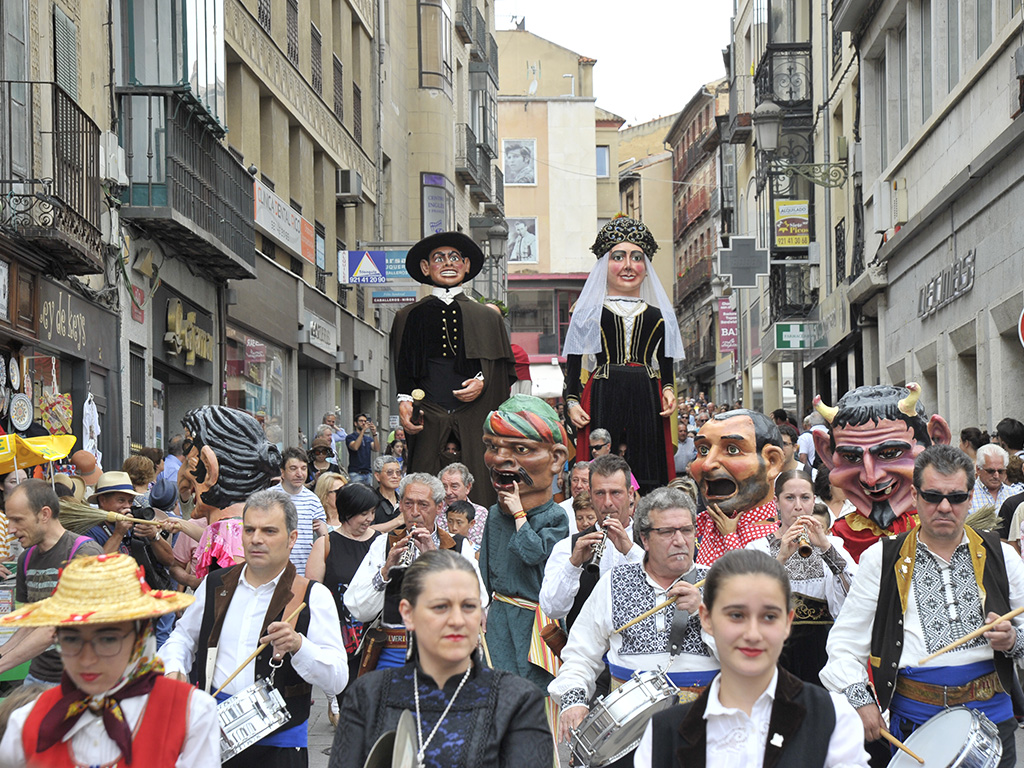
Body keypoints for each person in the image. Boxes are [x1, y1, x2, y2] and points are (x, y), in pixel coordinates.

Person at [820, 445, 1024, 768]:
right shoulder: (883, 558)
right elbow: (844, 645)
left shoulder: (1003, 556)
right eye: (933, 496)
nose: (945, 507)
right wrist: (861, 701)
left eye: (956, 497)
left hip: (993, 720)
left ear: (971, 497)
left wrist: (1014, 640)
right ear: (915, 495)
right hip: (916, 723)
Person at [160, 489, 348, 768]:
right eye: (250, 530)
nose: (256, 539)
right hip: (213, 738)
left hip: (279, 747)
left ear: (292, 539)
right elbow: (183, 636)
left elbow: (337, 679)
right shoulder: (214, 584)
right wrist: (173, 667)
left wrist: (299, 646)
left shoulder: (312, 596)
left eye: (269, 531)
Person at [634, 549, 869, 768]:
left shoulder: (831, 717)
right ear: (706, 619)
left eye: (769, 616)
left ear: (787, 622)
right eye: (736, 615)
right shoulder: (664, 733)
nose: (753, 634)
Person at [329, 549, 552, 768]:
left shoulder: (517, 701)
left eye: (468, 606)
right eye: (440, 607)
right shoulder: (368, 695)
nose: (457, 620)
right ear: (408, 613)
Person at [549, 488, 719, 767]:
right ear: (645, 538)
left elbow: (743, 659)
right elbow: (580, 655)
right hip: (627, 735)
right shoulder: (613, 583)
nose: (680, 540)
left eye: (687, 530)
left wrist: (706, 614)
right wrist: (575, 701)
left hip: (704, 730)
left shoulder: (718, 582)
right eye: (667, 532)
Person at [0, 553, 218, 767]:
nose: (87, 659)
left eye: (107, 640)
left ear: (140, 638)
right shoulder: (27, 722)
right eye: (71, 640)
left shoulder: (191, 715)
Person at [392, 231, 516, 508]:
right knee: (423, 480)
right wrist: (403, 401)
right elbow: (402, 367)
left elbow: (501, 369)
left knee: (481, 479)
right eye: (439, 258)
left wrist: (482, 381)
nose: (448, 263)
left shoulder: (486, 316)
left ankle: (481, 536)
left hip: (474, 415)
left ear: (467, 265)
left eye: (454, 257)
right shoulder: (407, 316)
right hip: (428, 411)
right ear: (426, 268)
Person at [563, 217, 683, 495]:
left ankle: (649, 505)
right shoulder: (587, 312)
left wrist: (667, 389)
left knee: (647, 459)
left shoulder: (659, 315)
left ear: (646, 266)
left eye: (636, 258)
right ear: (605, 265)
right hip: (604, 389)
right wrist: (571, 401)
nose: (628, 266)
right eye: (619, 257)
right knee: (603, 457)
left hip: (646, 392)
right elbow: (573, 363)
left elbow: (665, 363)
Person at [344, 473, 485, 672]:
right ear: (400, 505)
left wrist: (435, 560)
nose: (415, 512)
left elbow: (478, 600)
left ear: (439, 507)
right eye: (408, 504)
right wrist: (385, 572)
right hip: (393, 652)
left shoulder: (459, 546)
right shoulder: (384, 544)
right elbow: (357, 608)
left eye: (423, 505)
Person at [478, 395, 570, 690]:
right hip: (500, 619)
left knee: (537, 697)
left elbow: (533, 554)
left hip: (537, 623)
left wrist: (519, 513)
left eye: (521, 449)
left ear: (555, 458)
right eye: (493, 446)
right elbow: (485, 572)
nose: (501, 458)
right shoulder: (494, 515)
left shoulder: (557, 517)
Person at [812, 383, 951, 561]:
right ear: (827, 454)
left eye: (890, 453)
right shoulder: (836, 540)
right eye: (852, 457)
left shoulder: (954, 532)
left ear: (936, 442)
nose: (871, 478)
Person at [746, 469, 856, 684]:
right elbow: (749, 599)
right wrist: (782, 557)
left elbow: (855, 594)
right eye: (789, 498)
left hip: (819, 649)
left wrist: (825, 547)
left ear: (814, 501)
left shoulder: (832, 545)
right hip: (773, 645)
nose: (798, 506)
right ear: (776, 502)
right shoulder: (757, 547)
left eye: (805, 498)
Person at [0, 480, 103, 687]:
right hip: (38, 677)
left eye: (18, 520)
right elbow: (32, 623)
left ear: (44, 514)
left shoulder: (85, 554)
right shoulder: (26, 558)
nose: (10, 529)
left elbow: (53, 629)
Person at [177, 406, 283, 580]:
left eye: (187, 446)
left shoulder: (230, 539)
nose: (182, 474)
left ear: (209, 466)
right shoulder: (242, 531)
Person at [539, 455, 645, 629]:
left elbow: (670, 592)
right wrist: (573, 565)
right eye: (600, 493)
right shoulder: (568, 546)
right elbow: (551, 609)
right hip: (588, 654)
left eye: (616, 493)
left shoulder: (652, 542)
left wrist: (631, 551)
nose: (607, 503)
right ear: (590, 495)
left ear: (631, 494)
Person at [305, 482, 380, 724]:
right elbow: (312, 591)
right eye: (363, 513)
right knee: (346, 690)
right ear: (347, 511)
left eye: (372, 512)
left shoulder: (381, 543)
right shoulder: (326, 544)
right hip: (340, 633)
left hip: (374, 633)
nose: (369, 519)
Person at [689, 409, 785, 565]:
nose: (707, 464)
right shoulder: (697, 528)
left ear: (772, 462)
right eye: (703, 450)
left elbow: (760, 585)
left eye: (732, 450)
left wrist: (730, 537)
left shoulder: (787, 539)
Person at [435, 462, 489, 546]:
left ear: (467, 487)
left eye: (454, 486)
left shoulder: (480, 513)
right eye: (444, 487)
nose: (448, 492)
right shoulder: (435, 511)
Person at [969, 443, 1022, 515]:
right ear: (978, 470)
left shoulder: (1014, 494)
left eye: (1000, 471)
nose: (996, 475)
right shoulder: (967, 495)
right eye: (991, 471)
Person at [369, 455, 403, 532]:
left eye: (398, 472)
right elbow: (365, 530)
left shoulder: (404, 501)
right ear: (377, 476)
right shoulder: (370, 501)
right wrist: (398, 521)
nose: (395, 476)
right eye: (390, 472)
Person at [557, 460, 590, 535]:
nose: (578, 486)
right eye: (575, 480)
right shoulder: (560, 510)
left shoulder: (599, 508)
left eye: (584, 481)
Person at [345, 414, 379, 486]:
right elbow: (355, 447)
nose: (363, 423)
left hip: (368, 473)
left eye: (365, 421)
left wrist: (374, 434)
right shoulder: (350, 437)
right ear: (355, 423)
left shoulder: (368, 439)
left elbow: (376, 448)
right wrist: (363, 431)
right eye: (361, 421)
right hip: (355, 473)